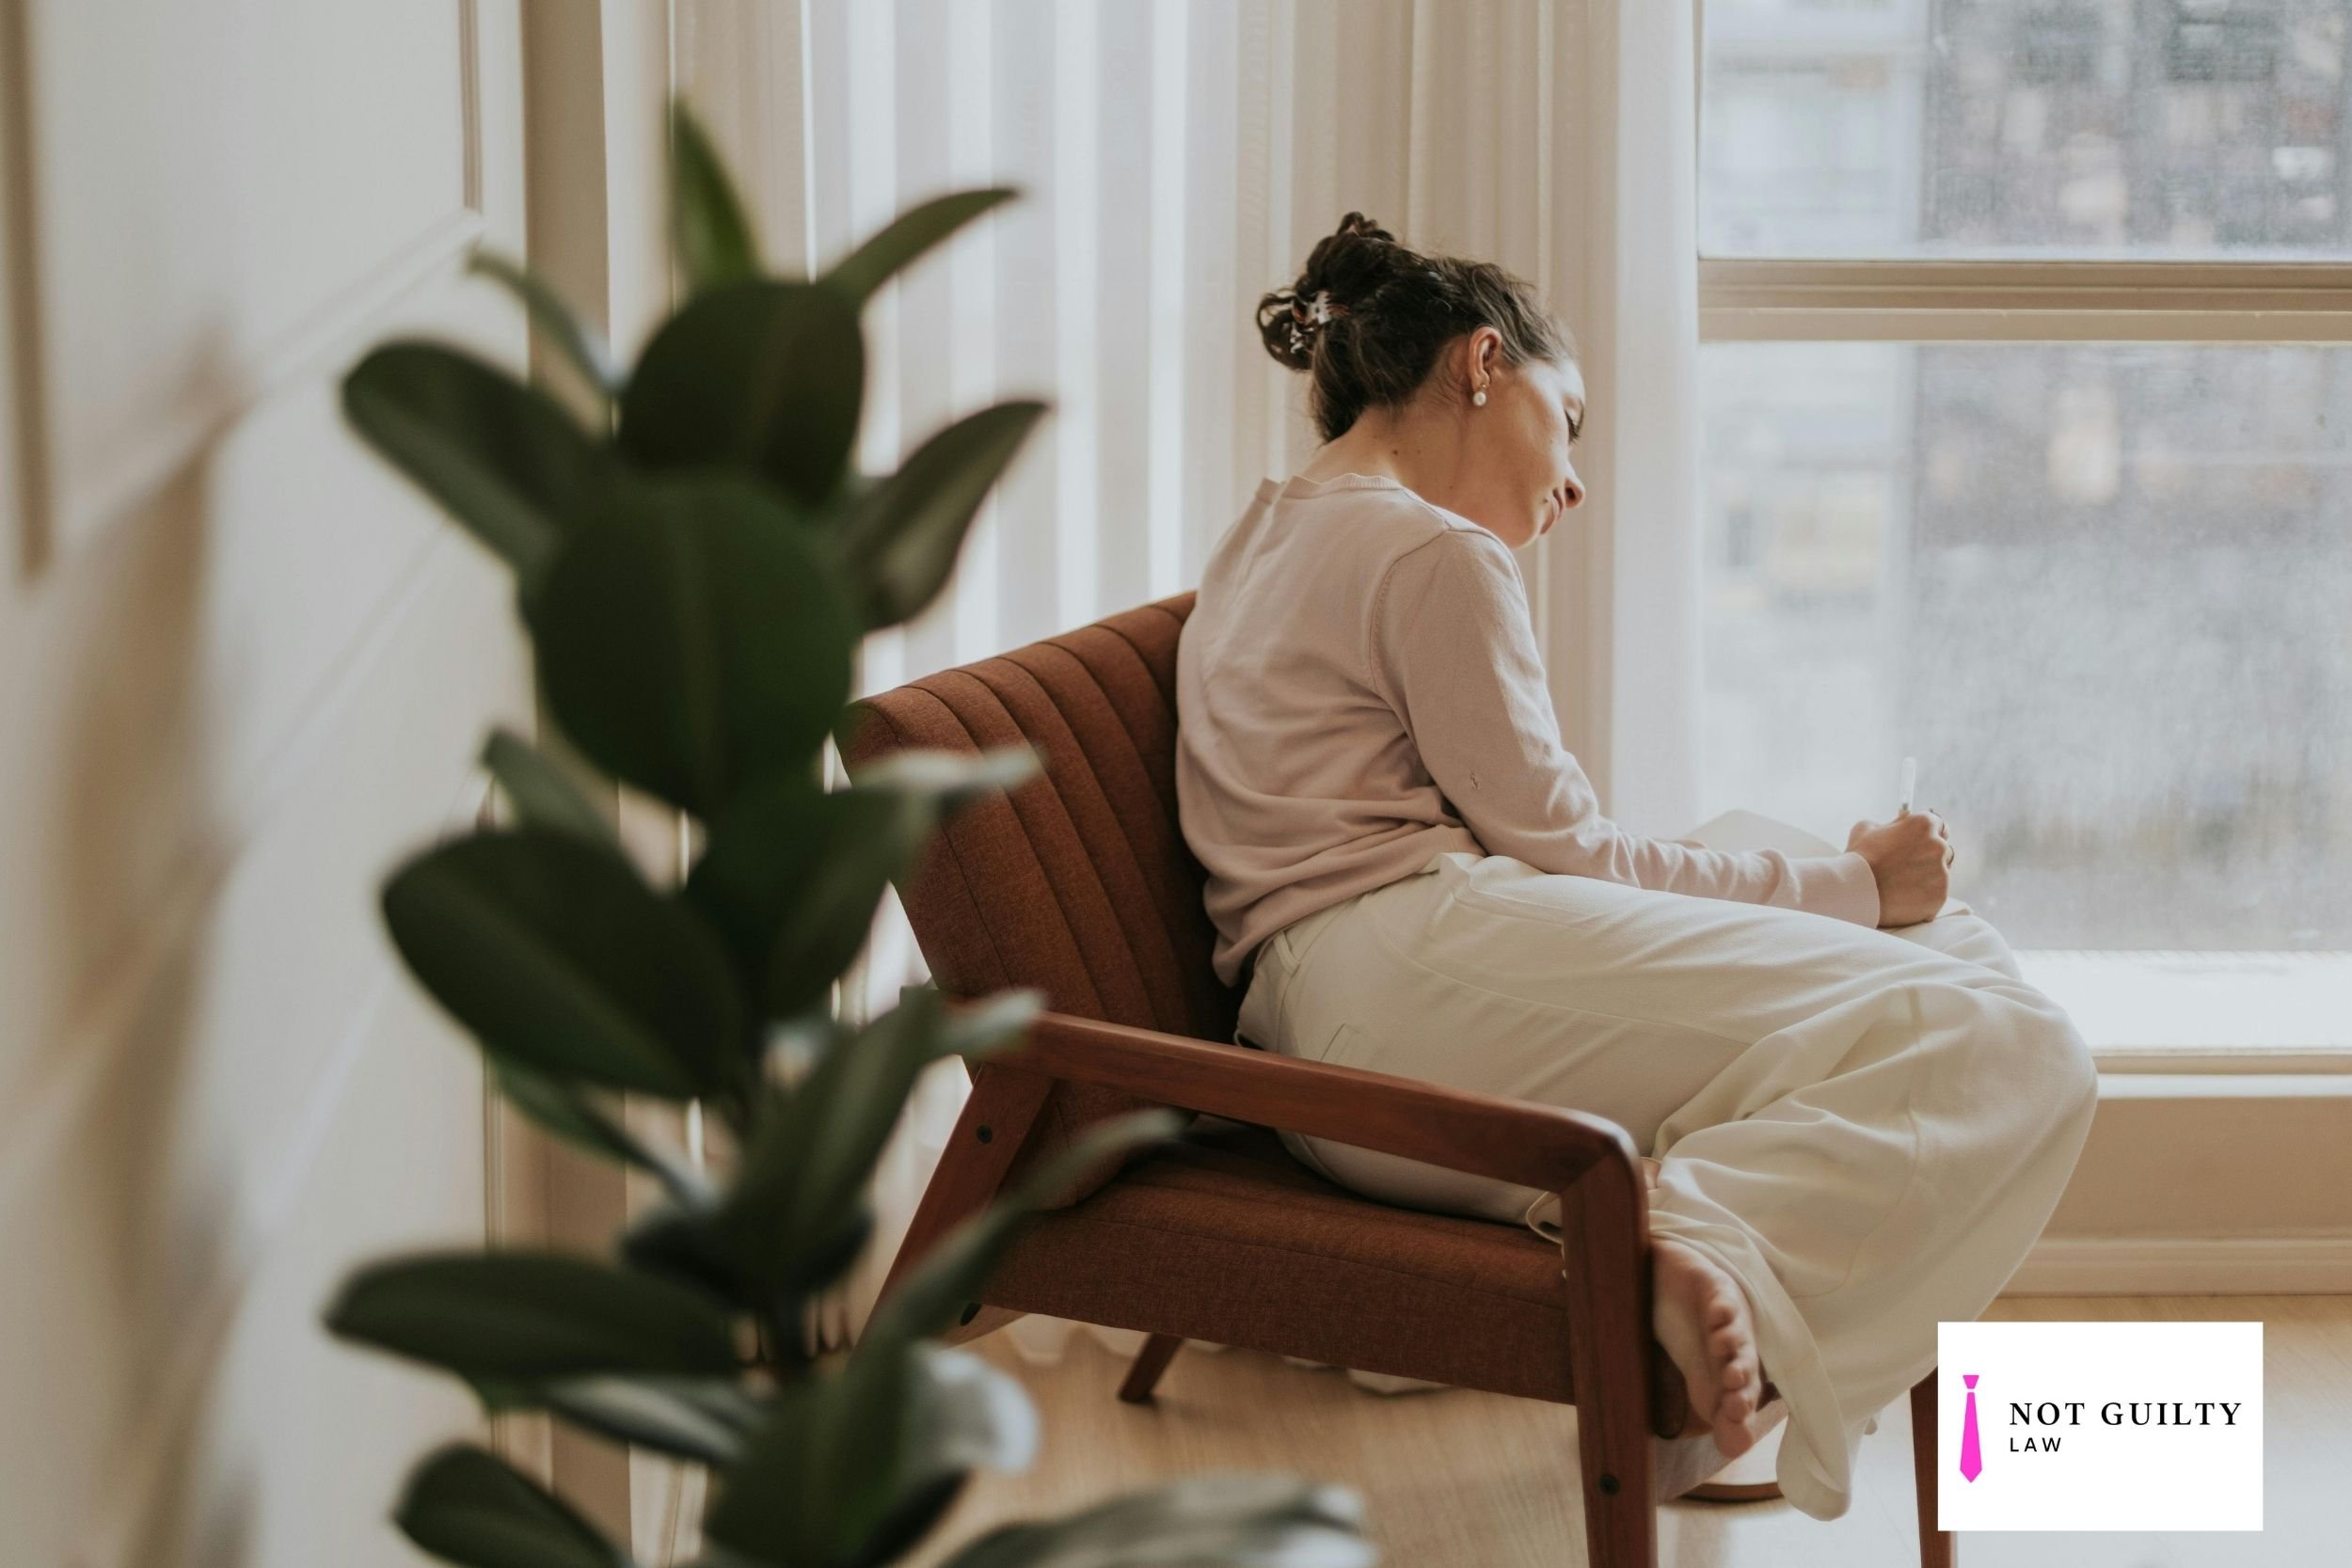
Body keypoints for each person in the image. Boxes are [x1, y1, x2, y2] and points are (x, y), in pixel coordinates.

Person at [1172, 213, 2099, 1519]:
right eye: (1572, 421)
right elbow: (1574, 851)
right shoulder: (1432, 548)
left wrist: (1859, 894)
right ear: (1483, 364)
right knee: (2017, 1043)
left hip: (1332, 1022)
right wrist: (1856, 887)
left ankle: (1697, 1247)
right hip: (1401, 994)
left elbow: (1544, 846)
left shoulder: (1265, 533)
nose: (1576, 484)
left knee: (1939, 953)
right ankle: (1695, 1250)